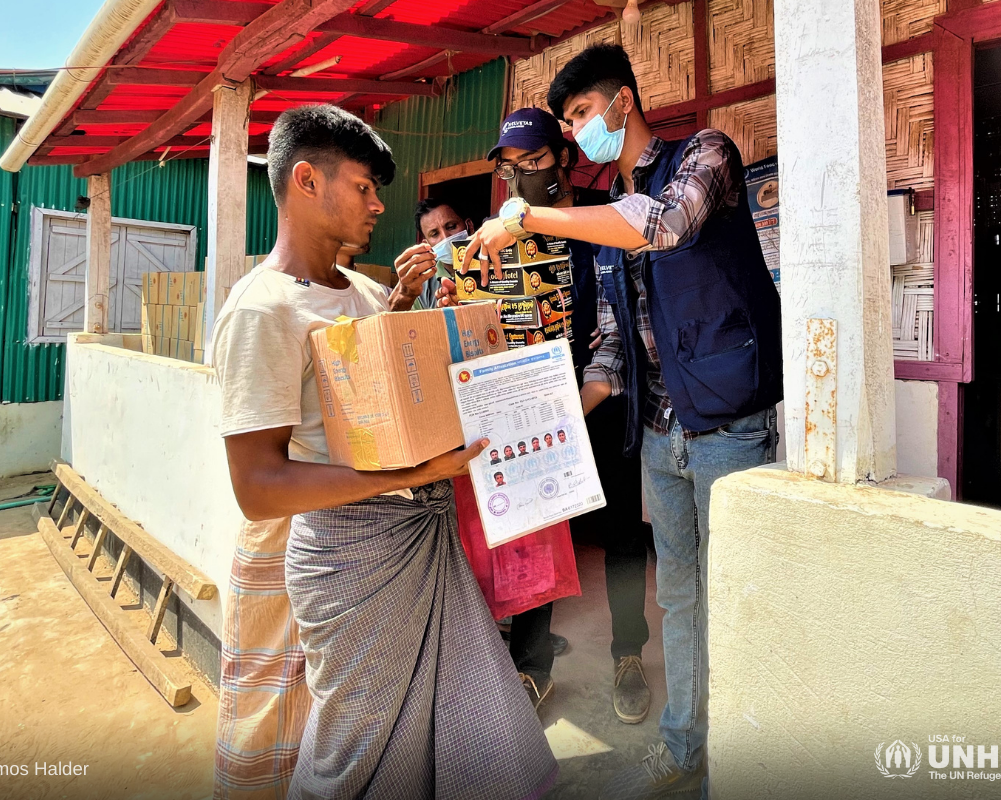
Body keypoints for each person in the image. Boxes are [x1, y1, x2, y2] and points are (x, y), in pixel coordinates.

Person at [212, 104, 556, 800]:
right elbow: (257, 485)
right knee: (359, 759)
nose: (378, 205)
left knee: (453, 738)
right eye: (366, 187)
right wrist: (409, 473)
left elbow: (394, 408)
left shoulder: (370, 292)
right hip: (352, 561)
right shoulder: (264, 309)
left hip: (423, 540)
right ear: (307, 180)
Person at [466, 46, 783, 798]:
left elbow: (666, 227)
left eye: (580, 116)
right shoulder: (607, 210)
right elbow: (611, 341)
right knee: (676, 593)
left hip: (729, 423)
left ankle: (746, 760)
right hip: (659, 433)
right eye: (568, 121)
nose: (575, 134)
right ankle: (683, 747)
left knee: (735, 593)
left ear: (623, 104)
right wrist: (557, 421)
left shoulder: (705, 155)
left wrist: (529, 214)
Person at [488, 106, 655, 728]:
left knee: (621, 535)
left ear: (562, 158)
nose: (522, 177)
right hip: (535, 410)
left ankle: (629, 653)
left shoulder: (596, 217)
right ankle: (533, 668)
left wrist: (597, 379)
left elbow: (630, 304)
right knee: (536, 532)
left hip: (605, 399)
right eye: (511, 167)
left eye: (533, 162)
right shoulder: (506, 232)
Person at [396, 198, 476, 310]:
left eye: (451, 226)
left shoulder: (497, 263)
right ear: (426, 245)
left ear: (469, 226)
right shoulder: (421, 286)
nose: (445, 237)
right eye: (434, 234)